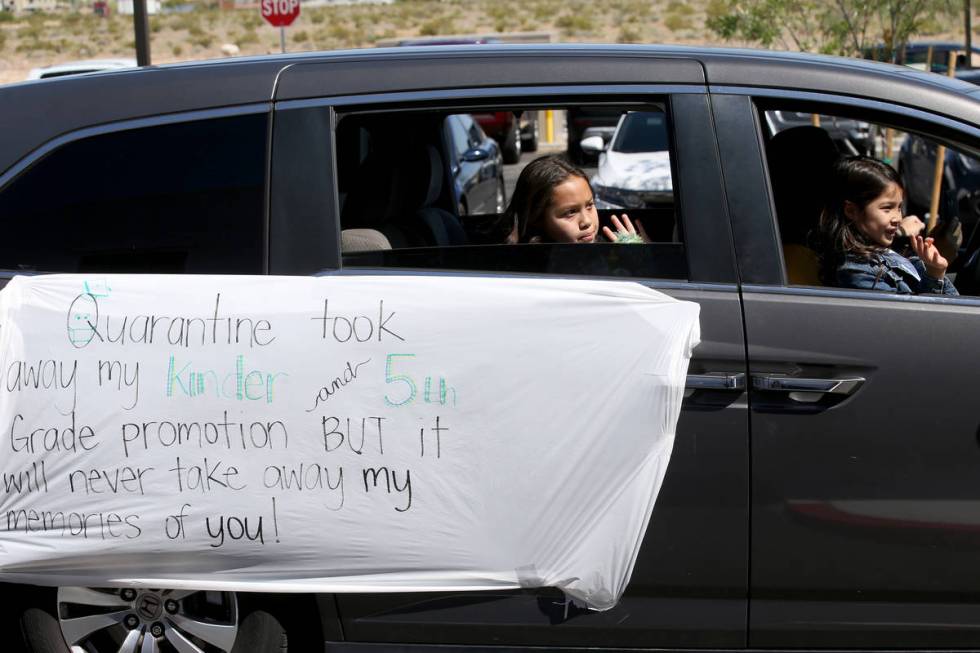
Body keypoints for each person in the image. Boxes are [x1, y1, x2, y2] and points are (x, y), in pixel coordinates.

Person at [818, 156, 958, 295]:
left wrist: (935, 270)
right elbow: (914, 315)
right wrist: (933, 276)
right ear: (851, 210)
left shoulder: (886, 253)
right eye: (887, 208)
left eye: (899, 207)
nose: (898, 218)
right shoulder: (857, 273)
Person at [506, 154, 649, 244]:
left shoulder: (608, 250)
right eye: (570, 212)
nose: (587, 221)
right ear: (537, 218)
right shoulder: (529, 272)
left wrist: (639, 255)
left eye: (590, 205)